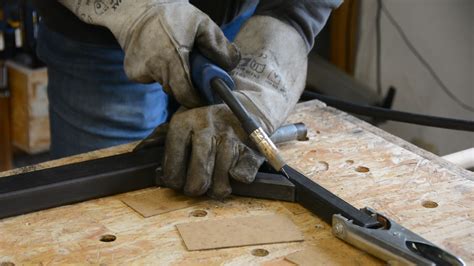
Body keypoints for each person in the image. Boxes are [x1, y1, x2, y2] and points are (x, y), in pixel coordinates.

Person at [32, 0, 342, 199]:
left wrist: (276, 47)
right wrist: (136, 10)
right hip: (104, 37)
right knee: (98, 205)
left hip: (233, 25)